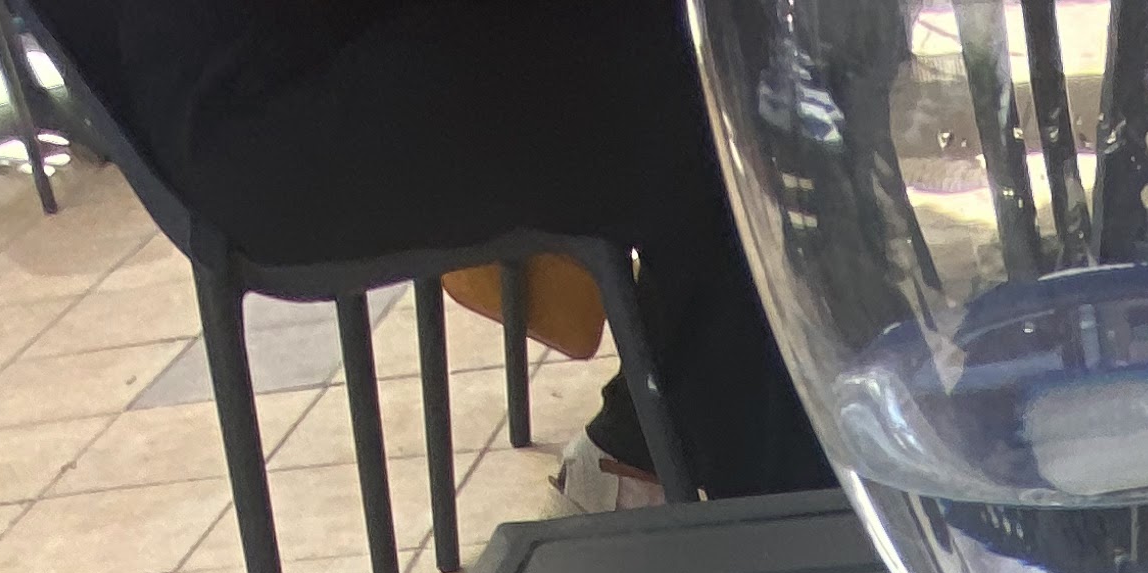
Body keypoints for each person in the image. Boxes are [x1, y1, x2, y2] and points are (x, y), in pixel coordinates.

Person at [108, 0, 836, 501]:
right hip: (262, 107)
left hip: (311, 48)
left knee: (755, 53)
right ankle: (789, 525)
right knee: (720, 94)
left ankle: (672, 444)